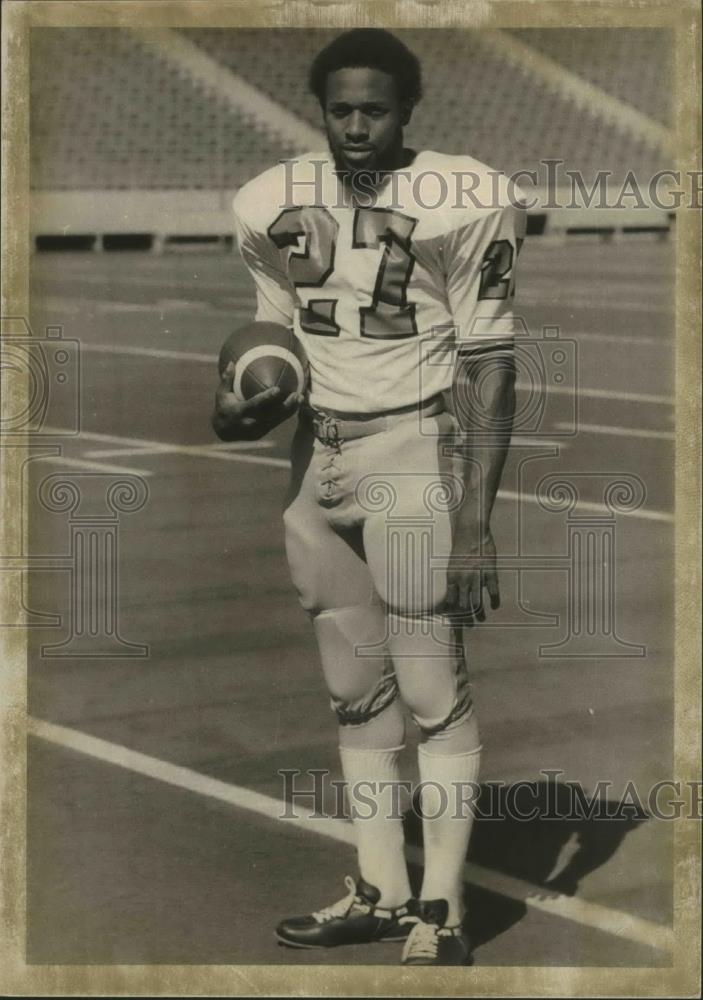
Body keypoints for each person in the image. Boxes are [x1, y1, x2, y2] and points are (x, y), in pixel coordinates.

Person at [212, 28, 525, 966]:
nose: (356, 126)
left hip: (411, 449)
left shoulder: (465, 195)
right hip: (318, 458)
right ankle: (381, 892)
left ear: (407, 110)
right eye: (340, 108)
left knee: (431, 686)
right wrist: (247, 395)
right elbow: (270, 329)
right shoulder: (270, 198)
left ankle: (443, 909)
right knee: (353, 691)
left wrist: (474, 520)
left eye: (375, 109)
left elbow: (492, 364)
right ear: (320, 107)